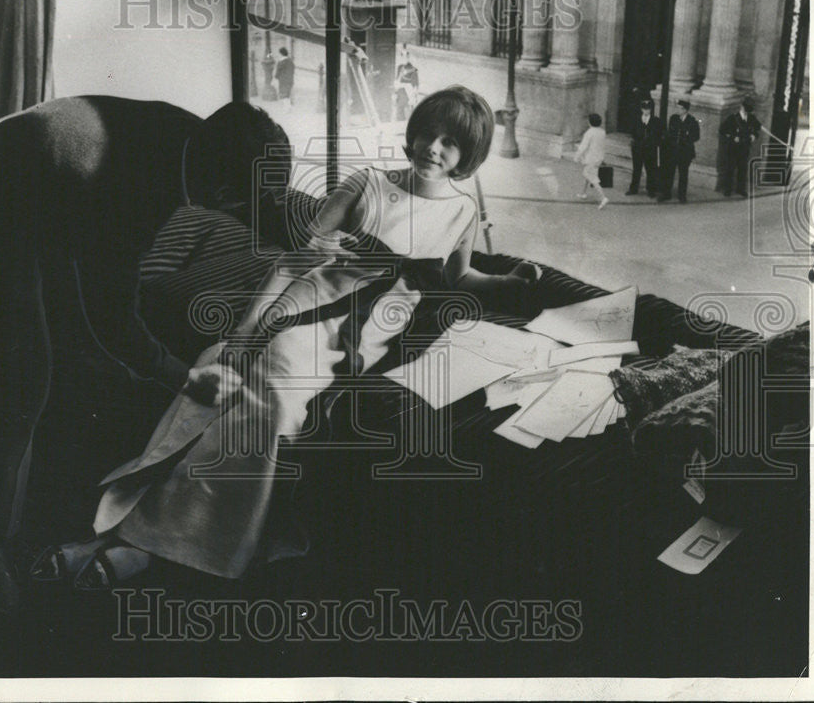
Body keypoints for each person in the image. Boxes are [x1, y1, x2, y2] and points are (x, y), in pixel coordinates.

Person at [34, 86, 542, 589]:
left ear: (467, 155)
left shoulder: (461, 211)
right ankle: (143, 544)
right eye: (427, 133)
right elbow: (294, 263)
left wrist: (510, 283)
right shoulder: (366, 184)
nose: (433, 147)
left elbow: (459, 278)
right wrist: (247, 329)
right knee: (246, 381)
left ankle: (138, 542)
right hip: (307, 305)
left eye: (450, 142)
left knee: (274, 406)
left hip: (367, 331)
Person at [0, 96, 291, 611]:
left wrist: (321, 248)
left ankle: (52, 504)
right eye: (230, 207)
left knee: (74, 346)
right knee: (26, 370)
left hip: (61, 178)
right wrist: (182, 376)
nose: (235, 216)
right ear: (216, 191)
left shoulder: (214, 140)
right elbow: (113, 314)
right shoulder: (139, 187)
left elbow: (266, 210)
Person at [718, 98, 761, 197]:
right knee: (730, 168)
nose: (746, 112)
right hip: (733, 147)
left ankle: (740, 189)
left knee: (742, 169)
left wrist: (754, 136)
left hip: (745, 147)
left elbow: (757, 128)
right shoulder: (732, 118)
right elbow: (722, 130)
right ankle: (727, 189)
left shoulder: (751, 118)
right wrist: (733, 137)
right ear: (741, 107)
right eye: (745, 109)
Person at [660, 99, 700, 203]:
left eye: (679, 108)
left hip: (685, 152)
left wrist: (686, 138)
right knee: (669, 172)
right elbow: (670, 133)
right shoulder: (674, 118)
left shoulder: (692, 121)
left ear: (685, 110)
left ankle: (682, 195)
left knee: (683, 174)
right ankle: (666, 193)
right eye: (677, 107)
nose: (677, 109)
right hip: (672, 150)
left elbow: (696, 136)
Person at [626, 99, 663, 197]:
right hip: (638, 149)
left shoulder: (656, 121)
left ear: (651, 110)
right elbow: (632, 133)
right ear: (641, 109)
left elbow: (659, 135)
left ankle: (651, 190)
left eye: (648, 109)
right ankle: (633, 189)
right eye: (644, 109)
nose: (646, 111)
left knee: (650, 170)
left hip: (650, 149)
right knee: (636, 169)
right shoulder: (636, 120)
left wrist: (654, 143)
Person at [574, 113, 609, 210]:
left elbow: (583, 147)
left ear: (589, 122)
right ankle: (583, 193)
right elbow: (602, 145)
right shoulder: (602, 132)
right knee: (589, 174)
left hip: (591, 158)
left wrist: (577, 157)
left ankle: (603, 197)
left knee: (589, 175)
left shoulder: (589, 133)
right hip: (598, 158)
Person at [394, 45, 420, 120]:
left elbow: (416, 84)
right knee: (399, 115)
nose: (404, 58)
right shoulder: (399, 67)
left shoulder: (413, 69)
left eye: (406, 56)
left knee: (408, 116)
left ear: (408, 57)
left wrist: (413, 97)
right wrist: (395, 92)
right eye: (402, 55)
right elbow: (397, 80)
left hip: (408, 96)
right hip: (399, 94)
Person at [272, 46, 295, 112]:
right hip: (290, 80)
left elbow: (278, 72)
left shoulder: (281, 62)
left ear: (281, 54)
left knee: (283, 95)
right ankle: (289, 108)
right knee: (287, 94)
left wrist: (275, 78)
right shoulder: (290, 61)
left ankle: (286, 109)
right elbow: (292, 70)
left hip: (283, 81)